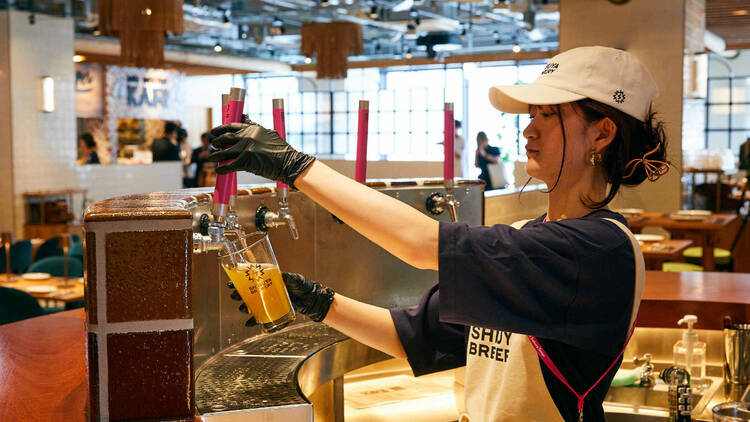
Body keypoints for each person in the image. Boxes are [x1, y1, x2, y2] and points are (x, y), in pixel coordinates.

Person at [208, 46, 669, 422]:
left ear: (602, 133)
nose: (528, 129)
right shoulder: (534, 236)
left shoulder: (599, 251)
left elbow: (421, 243)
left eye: (548, 115)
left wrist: (296, 168)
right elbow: (416, 336)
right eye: (531, 114)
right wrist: (316, 302)